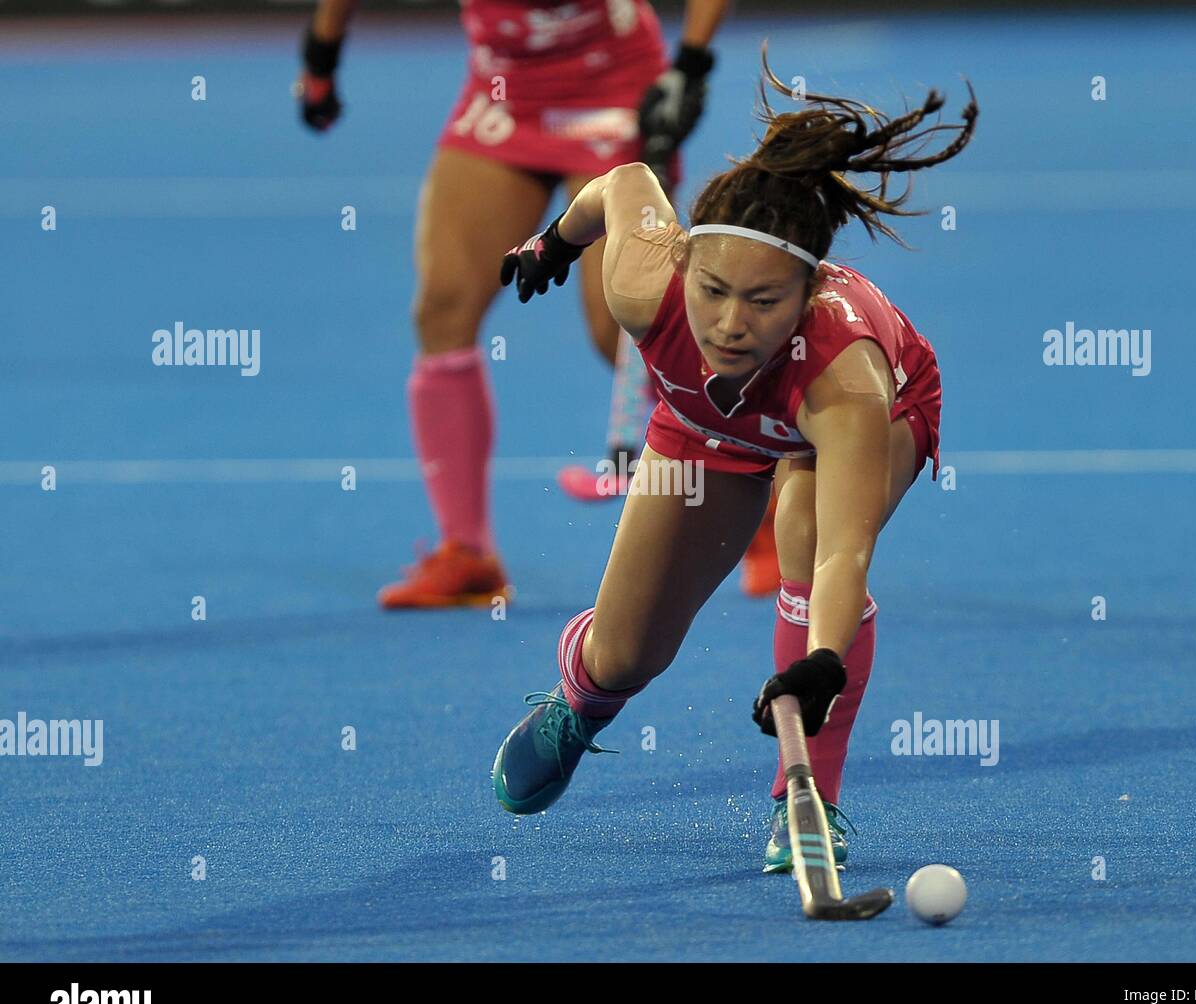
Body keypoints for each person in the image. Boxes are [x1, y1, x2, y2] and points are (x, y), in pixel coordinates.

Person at [491, 49, 976, 872]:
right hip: (704, 429)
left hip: (860, 414)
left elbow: (844, 551)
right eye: (714, 290)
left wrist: (821, 663)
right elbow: (622, 182)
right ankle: (580, 697)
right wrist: (554, 244)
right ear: (686, 264)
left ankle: (807, 801)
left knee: (805, 525)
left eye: (763, 301)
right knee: (624, 656)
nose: (729, 324)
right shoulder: (647, 284)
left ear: (806, 292)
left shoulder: (843, 379)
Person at [295, 0, 730, 607]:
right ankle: (468, 553)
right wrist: (321, 56)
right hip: (505, 95)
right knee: (445, 307)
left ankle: (754, 499)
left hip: (614, 87)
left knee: (625, 326)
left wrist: (691, 64)